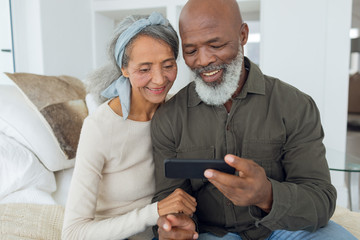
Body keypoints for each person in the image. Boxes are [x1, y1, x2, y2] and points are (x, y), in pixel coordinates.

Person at [150, 0, 357, 239]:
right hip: (210, 234)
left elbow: (321, 200)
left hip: (283, 229)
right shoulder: (169, 117)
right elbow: (169, 199)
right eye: (191, 50)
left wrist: (266, 195)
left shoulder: (295, 105)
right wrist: (177, 225)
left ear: (243, 35)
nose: (203, 60)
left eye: (216, 44)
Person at [62, 12, 196, 240]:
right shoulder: (99, 128)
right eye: (144, 69)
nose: (159, 79)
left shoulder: (178, 111)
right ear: (124, 69)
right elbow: (73, 233)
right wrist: (155, 212)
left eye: (168, 65)